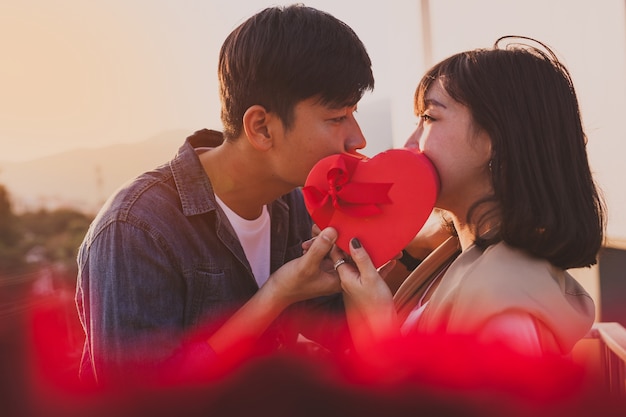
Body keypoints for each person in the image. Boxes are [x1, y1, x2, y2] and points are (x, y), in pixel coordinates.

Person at [75, 4, 374, 384]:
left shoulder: (293, 207)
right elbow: (135, 399)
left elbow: (340, 332)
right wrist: (275, 296)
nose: (358, 138)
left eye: (354, 112)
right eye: (336, 118)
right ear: (262, 127)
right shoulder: (137, 228)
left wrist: (378, 255)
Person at [330, 36, 606, 358]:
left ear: (497, 139)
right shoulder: (454, 254)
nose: (410, 141)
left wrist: (376, 330)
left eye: (430, 118)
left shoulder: (504, 303)